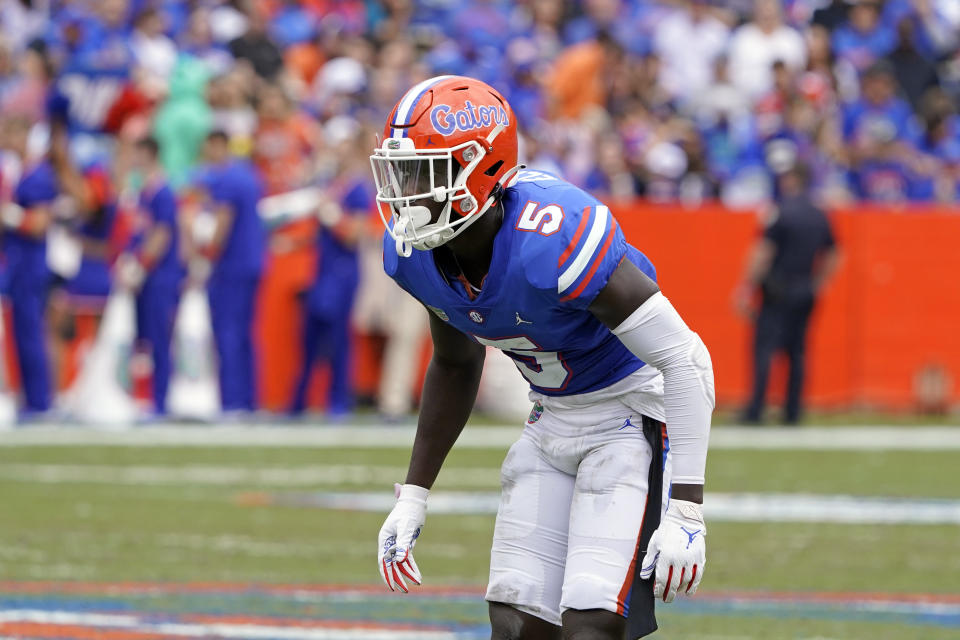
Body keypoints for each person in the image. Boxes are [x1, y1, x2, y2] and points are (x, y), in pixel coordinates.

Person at [372, 76, 714, 639]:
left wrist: (686, 508)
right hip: (550, 418)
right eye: (400, 172)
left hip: (630, 416)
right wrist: (414, 495)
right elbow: (456, 363)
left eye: (423, 173)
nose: (405, 192)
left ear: (480, 170)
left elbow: (686, 359)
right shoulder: (417, 254)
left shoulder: (551, 234)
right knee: (516, 623)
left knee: (591, 622)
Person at [735, 163, 839, 425]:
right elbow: (834, 253)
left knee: (764, 350)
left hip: (777, 289)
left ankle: (756, 409)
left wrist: (747, 286)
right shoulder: (820, 214)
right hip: (805, 288)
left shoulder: (780, 212)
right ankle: (793, 411)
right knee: (798, 352)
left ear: (792, 179)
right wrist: (818, 282)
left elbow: (764, 251)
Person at [191, 130, 266, 415]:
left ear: (217, 145)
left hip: (232, 267)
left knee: (228, 333)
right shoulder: (246, 176)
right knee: (245, 334)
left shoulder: (229, 180)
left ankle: (232, 400)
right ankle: (248, 399)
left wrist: (205, 258)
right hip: (250, 263)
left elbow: (221, 224)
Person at [115, 136, 184, 416]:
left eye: (137, 153)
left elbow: (162, 234)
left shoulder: (162, 191)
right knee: (144, 339)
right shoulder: (143, 191)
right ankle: (146, 397)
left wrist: (141, 264)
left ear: (149, 154)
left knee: (158, 337)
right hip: (148, 276)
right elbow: (140, 231)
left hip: (161, 276)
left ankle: (161, 400)